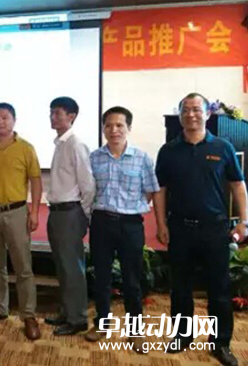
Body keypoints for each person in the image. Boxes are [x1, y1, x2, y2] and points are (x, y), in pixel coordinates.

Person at [156, 93, 247, 366]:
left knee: (219, 290)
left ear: (208, 114)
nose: (191, 114)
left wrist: (244, 221)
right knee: (180, 288)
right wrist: (160, 223)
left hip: (214, 230)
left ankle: (221, 343)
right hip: (179, 229)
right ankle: (182, 335)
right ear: (180, 114)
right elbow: (160, 190)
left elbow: (238, 185)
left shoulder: (222, 147)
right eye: (185, 110)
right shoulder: (168, 151)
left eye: (197, 109)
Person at [86, 106, 162, 353]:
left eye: (119, 125)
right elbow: (89, 190)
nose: (114, 130)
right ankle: (102, 323)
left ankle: (135, 330)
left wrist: (131, 208)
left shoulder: (141, 158)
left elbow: (151, 191)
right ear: (103, 129)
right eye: (108, 125)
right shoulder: (94, 158)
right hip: (101, 222)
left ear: (128, 127)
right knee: (102, 276)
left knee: (132, 280)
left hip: (131, 224)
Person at [0, 102, 43, 341]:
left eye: (5, 117)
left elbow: (36, 181)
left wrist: (34, 212)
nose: (0, 122)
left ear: (14, 120)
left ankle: (29, 315)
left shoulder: (25, 148)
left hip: (16, 212)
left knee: (23, 266)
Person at [44, 97, 96, 336]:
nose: (53, 117)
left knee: (72, 267)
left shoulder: (76, 144)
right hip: (57, 212)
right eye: (51, 113)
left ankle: (78, 319)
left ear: (71, 116)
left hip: (70, 213)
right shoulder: (60, 144)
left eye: (58, 113)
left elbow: (88, 186)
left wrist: (82, 215)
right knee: (62, 265)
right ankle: (67, 312)